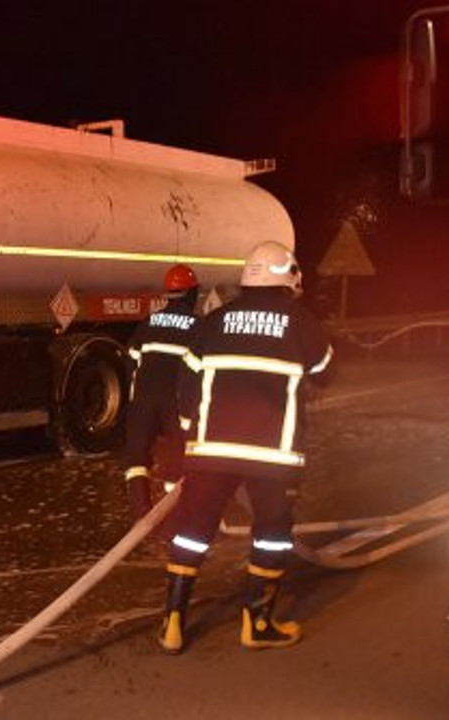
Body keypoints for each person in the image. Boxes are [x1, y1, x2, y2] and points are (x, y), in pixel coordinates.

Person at [157, 241, 334, 654]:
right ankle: (257, 624)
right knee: (271, 535)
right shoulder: (299, 321)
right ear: (289, 278)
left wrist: (190, 435)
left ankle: (172, 622)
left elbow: (185, 385)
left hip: (211, 450)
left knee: (194, 530)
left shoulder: (213, 321)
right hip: (272, 455)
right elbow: (326, 372)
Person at [123, 263, 199, 521]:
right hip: (173, 401)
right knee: (177, 457)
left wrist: (135, 394)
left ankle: (141, 514)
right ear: (192, 293)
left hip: (143, 399)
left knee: (136, 456)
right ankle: (175, 512)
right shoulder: (197, 326)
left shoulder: (149, 321)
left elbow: (131, 358)